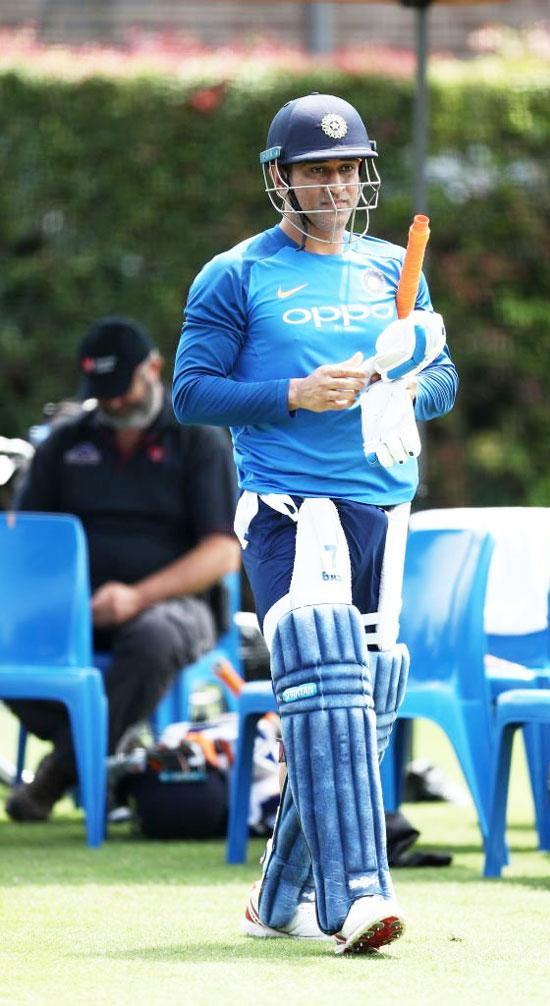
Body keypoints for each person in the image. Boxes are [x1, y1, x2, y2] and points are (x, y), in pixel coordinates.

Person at [172, 93, 458, 954]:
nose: (334, 185)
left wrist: (411, 391)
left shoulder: (389, 270)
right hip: (290, 510)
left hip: (381, 509)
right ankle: (356, 898)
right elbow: (193, 391)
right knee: (328, 672)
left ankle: (276, 896)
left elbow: (442, 377)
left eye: (346, 169)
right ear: (280, 179)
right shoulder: (237, 273)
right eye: (315, 171)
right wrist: (293, 395)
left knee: (359, 703)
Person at [6, 316, 240, 823]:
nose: (112, 402)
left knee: (152, 639)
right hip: (76, 611)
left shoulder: (198, 439)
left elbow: (221, 553)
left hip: (174, 607)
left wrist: (136, 598)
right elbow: (29, 543)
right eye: (101, 391)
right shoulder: (63, 445)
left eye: (121, 388)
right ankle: (113, 739)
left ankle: (57, 774)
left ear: (153, 368)